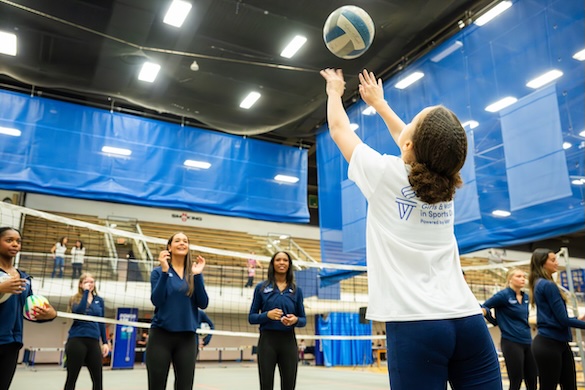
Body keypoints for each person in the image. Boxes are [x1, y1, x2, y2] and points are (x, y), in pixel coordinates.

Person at [320, 68, 502, 389]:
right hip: (468, 321)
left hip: (415, 325)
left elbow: (338, 128)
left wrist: (335, 91)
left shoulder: (381, 173)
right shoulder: (447, 186)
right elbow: (414, 141)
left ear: (408, 143)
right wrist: (379, 104)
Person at [146, 232, 209, 390]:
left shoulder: (192, 273)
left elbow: (203, 303)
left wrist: (198, 275)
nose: (182, 243)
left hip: (187, 338)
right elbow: (157, 300)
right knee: (156, 385)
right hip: (161, 336)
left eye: (185, 241)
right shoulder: (158, 272)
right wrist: (165, 271)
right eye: (177, 241)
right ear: (169, 247)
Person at [0, 227, 57, 390]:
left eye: (18, 241)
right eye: (9, 240)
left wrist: (50, 314)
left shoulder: (24, 278)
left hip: (12, 343)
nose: (15, 244)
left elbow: (28, 312)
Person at [248, 251, 306, 390]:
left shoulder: (296, 290)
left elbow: (303, 320)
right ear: (273, 264)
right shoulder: (261, 288)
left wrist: (295, 320)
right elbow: (252, 317)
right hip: (267, 342)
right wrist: (267, 315)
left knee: (289, 385)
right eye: (278, 260)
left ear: (289, 264)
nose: (281, 262)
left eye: (285, 260)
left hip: (288, 342)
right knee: (266, 385)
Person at [529, 248, 585, 390]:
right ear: (542, 263)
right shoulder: (547, 285)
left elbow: (556, 317)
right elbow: (563, 320)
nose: (557, 263)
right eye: (553, 260)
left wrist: (577, 319)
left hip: (557, 343)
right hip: (549, 344)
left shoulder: (539, 283)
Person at [482, 268, 537, 390]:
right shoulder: (503, 295)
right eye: (518, 276)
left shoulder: (526, 297)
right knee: (516, 380)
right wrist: (495, 322)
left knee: (532, 379)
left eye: (523, 276)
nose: (523, 279)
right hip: (511, 342)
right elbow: (484, 307)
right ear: (510, 279)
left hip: (527, 341)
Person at [64, 272, 109, 390]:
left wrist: (105, 342)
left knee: (98, 379)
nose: (90, 284)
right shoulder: (75, 299)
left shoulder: (99, 300)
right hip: (77, 340)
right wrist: (85, 293)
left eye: (92, 282)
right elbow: (79, 312)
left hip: (93, 341)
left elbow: (101, 321)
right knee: (72, 378)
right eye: (86, 282)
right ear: (80, 284)